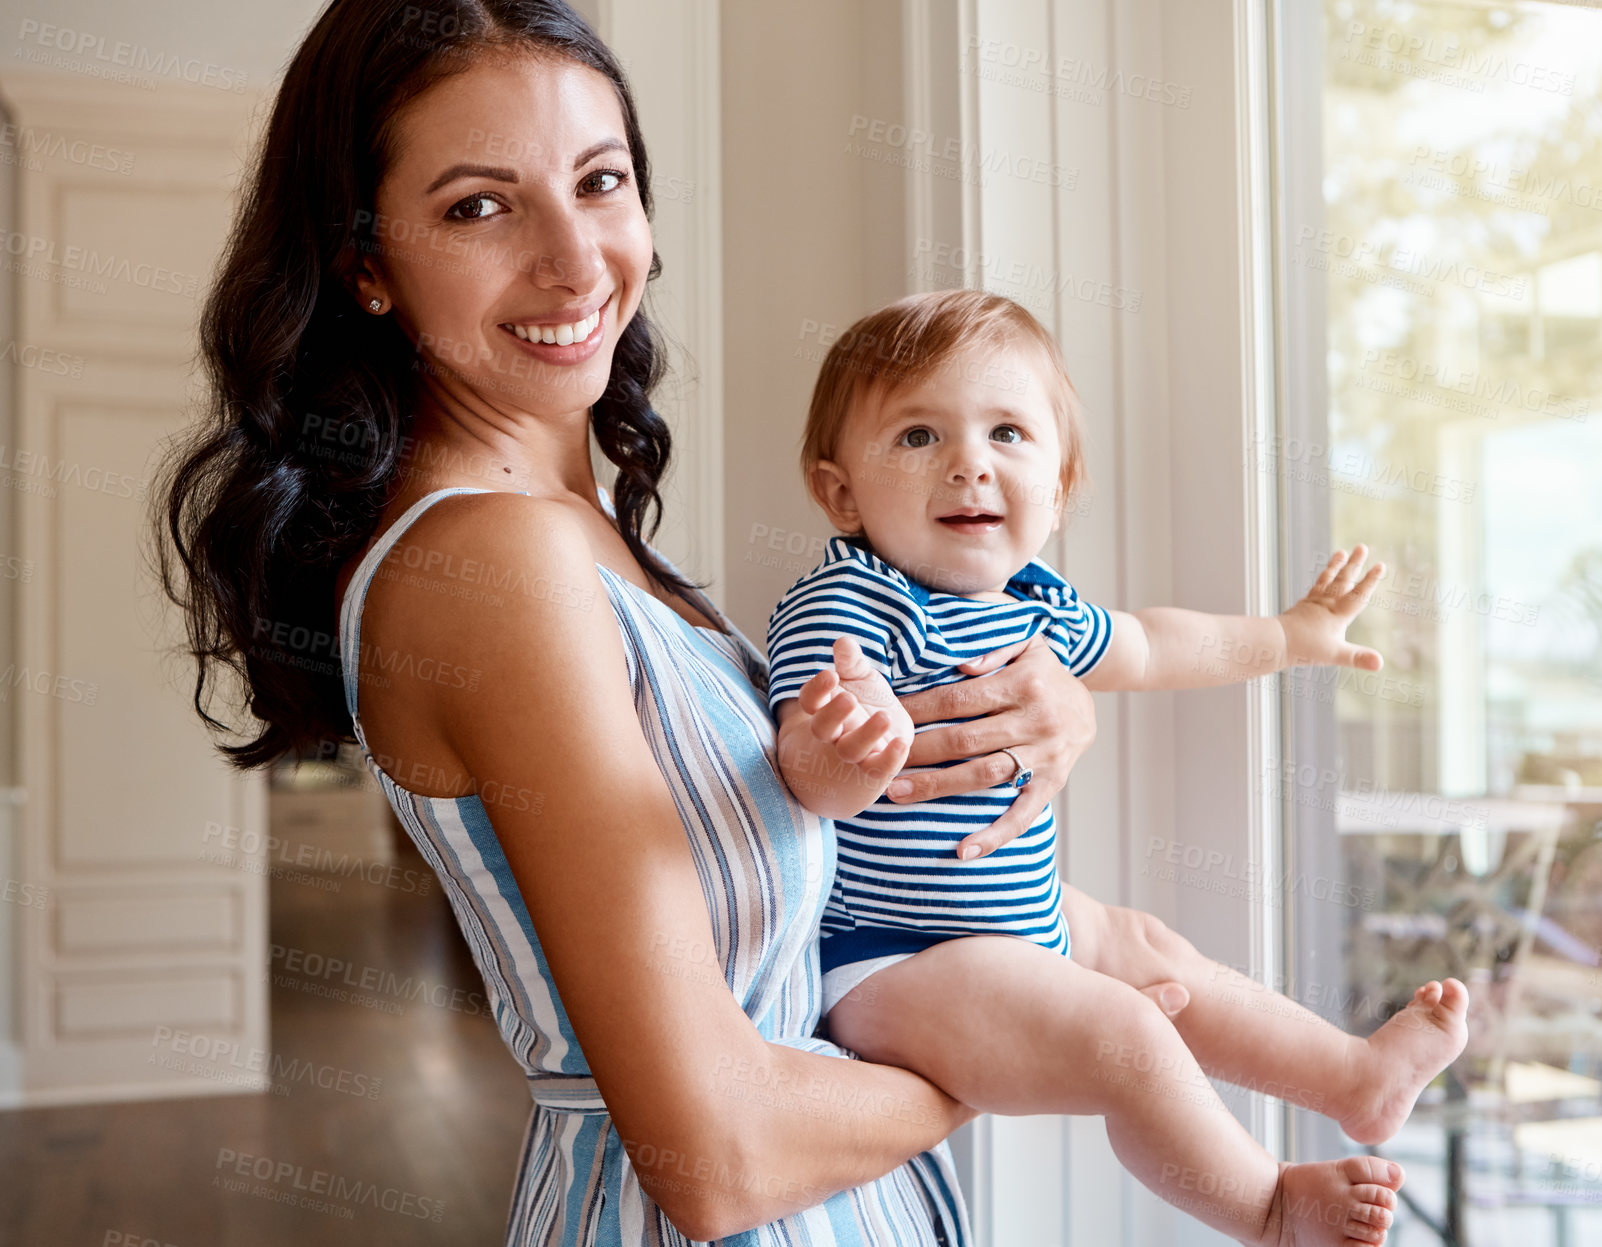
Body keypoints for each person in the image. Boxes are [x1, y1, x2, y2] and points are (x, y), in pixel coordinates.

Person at [155, 2, 1152, 1242]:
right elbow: (714, 1156)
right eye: (479, 205)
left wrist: (1030, 698)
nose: (574, 261)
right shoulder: (489, 565)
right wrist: (1031, 1047)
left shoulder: (592, 539)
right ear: (365, 262)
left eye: (600, 181)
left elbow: (798, 909)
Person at [765, 290, 1471, 1247]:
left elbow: (1154, 645)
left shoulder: (1032, 603)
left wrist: (1288, 635)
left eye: (1008, 432)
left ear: (1057, 490)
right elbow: (807, 775)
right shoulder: (854, 601)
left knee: (1150, 947)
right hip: (896, 960)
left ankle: (1355, 1078)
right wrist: (847, 740)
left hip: (1031, 918)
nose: (970, 461)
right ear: (840, 490)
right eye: (919, 435)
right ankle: (1266, 1205)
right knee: (1126, 1031)